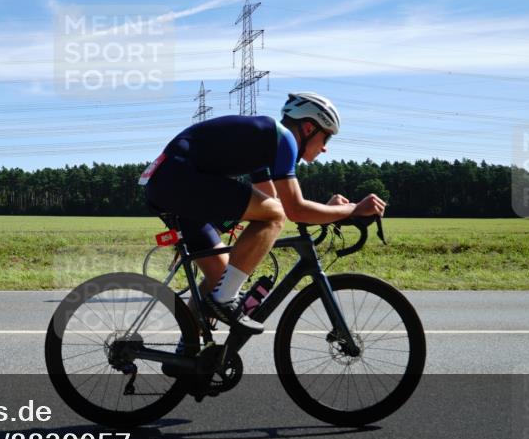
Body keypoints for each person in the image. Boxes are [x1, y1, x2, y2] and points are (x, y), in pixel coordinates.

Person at [140, 92, 386, 333]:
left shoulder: (263, 143)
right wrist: (352, 209)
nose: (325, 149)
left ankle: (190, 354)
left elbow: (273, 200)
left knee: (220, 276)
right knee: (271, 221)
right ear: (309, 128)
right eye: (327, 138)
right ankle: (224, 302)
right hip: (178, 180)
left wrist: (332, 210)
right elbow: (292, 210)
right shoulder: (284, 139)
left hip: (169, 182)